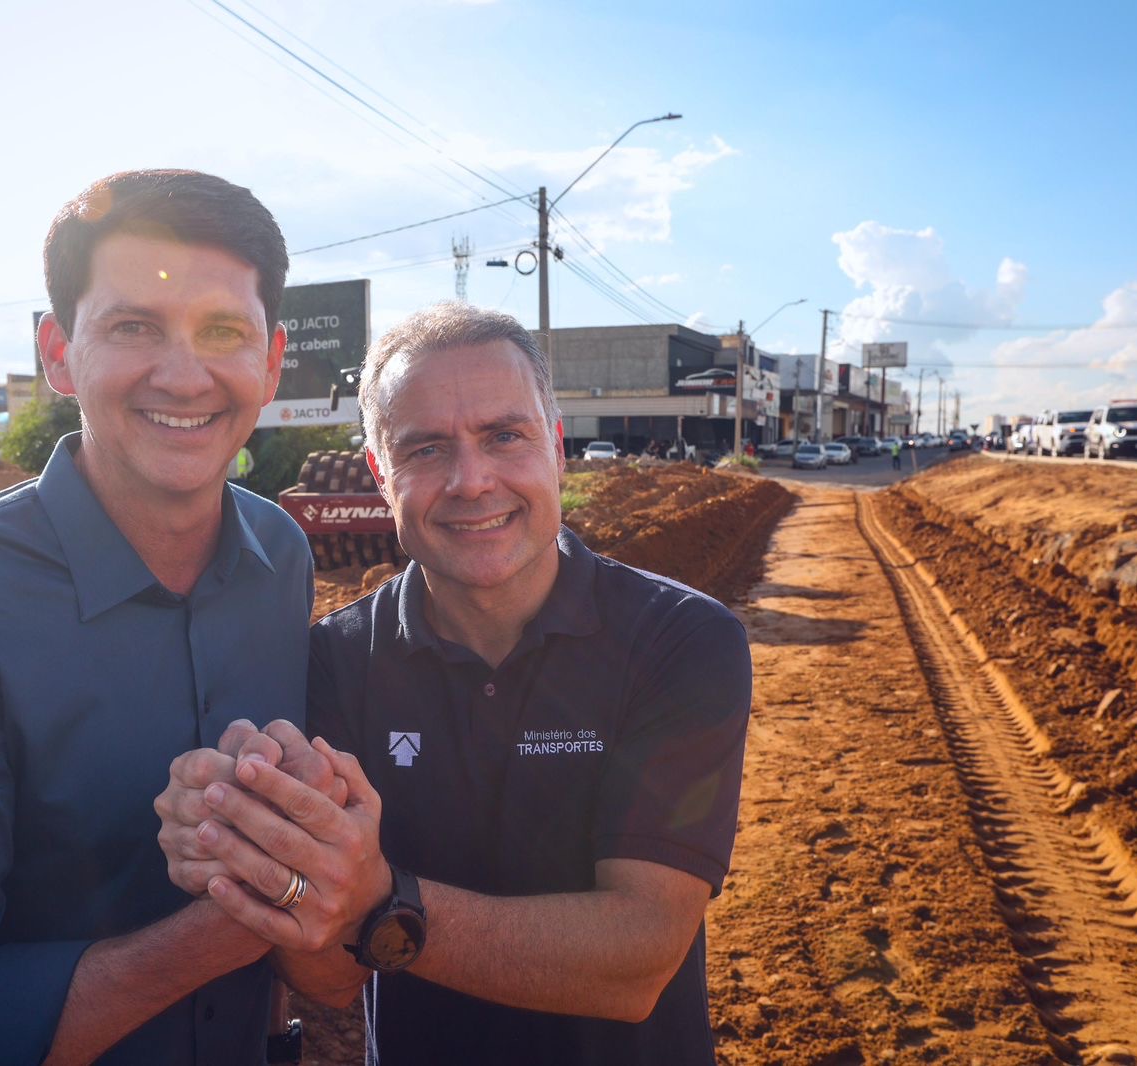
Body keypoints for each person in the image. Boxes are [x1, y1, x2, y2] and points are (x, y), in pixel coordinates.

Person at [157, 303, 752, 1064]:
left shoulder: (681, 641)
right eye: (426, 449)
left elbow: (638, 959)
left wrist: (380, 901)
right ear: (379, 473)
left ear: (556, 446)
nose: (472, 481)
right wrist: (245, 847)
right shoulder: (336, 664)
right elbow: (330, 978)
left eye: (505, 436)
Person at [0, 169, 326, 1065]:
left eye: (223, 332)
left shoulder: (282, 559)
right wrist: (244, 919)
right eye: (133, 326)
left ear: (272, 361)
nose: (184, 375)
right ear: (58, 353)